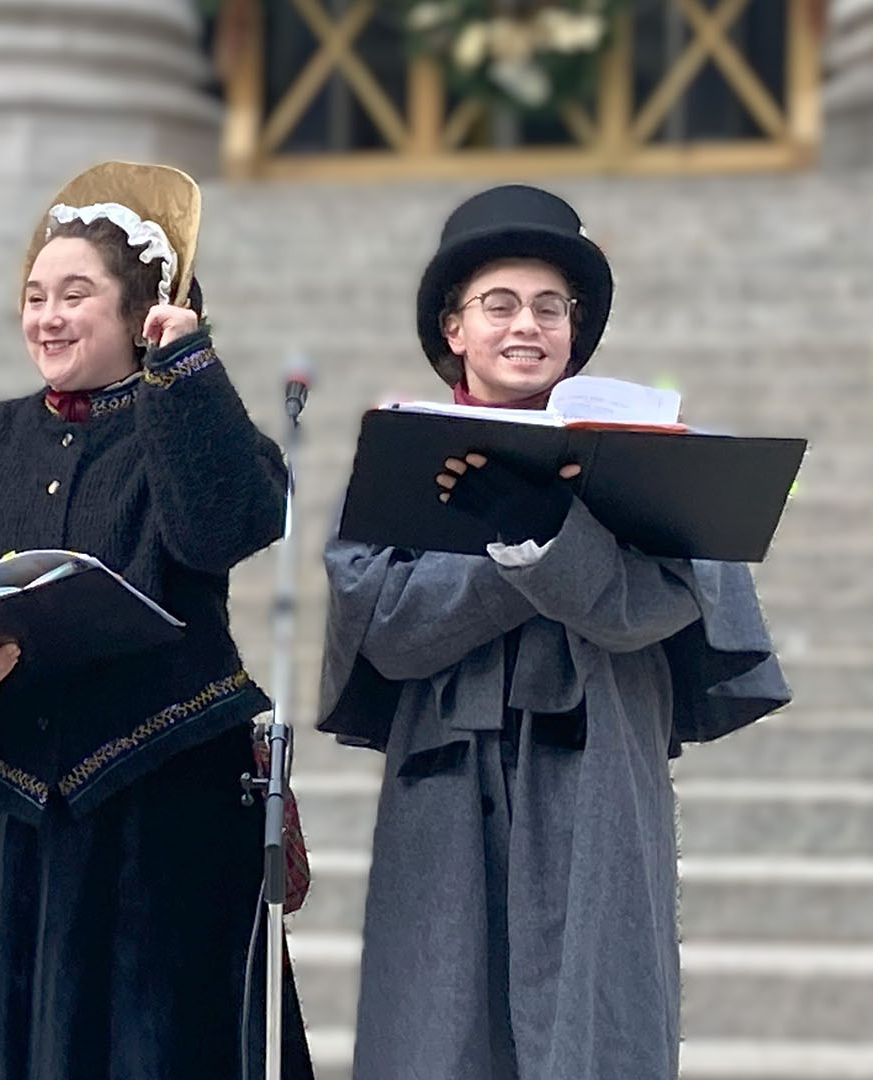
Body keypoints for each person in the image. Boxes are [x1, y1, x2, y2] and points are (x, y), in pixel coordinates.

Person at [318, 184, 792, 1080]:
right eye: (498, 305)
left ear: (574, 329)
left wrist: (546, 536)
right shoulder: (401, 456)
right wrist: (518, 545)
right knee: (438, 1028)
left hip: (602, 762)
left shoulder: (648, 451)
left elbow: (648, 609)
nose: (525, 326)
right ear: (454, 329)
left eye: (550, 307)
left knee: (595, 1027)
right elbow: (390, 635)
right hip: (444, 776)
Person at [0, 161, 316, 1079]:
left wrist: (183, 368)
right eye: (35, 296)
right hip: (3, 826)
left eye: (77, 295)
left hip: (163, 812)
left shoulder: (187, 416)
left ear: (142, 307)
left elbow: (229, 523)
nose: (48, 316)